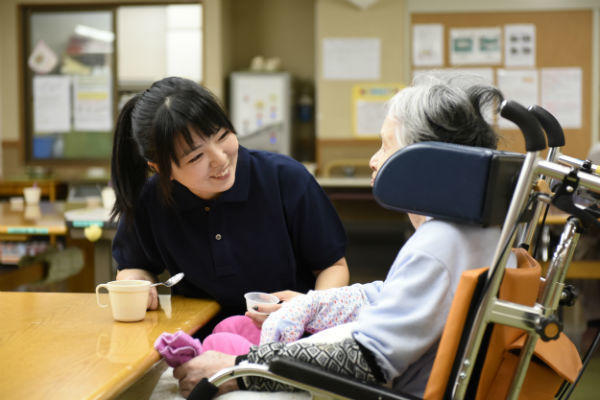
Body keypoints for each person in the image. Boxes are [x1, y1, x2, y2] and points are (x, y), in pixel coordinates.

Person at [172, 72, 517, 398]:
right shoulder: (475, 232)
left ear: (424, 162)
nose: (374, 160)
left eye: (385, 146)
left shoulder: (439, 246)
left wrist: (239, 370)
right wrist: (316, 304)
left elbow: (364, 362)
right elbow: (401, 299)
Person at [110, 77, 350, 330]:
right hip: (198, 344)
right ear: (160, 168)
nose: (220, 159)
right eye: (196, 157)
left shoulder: (285, 179)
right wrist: (138, 283)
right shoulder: (151, 199)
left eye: (222, 135)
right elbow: (134, 266)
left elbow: (332, 265)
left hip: (288, 339)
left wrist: (307, 311)